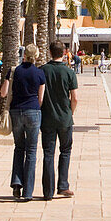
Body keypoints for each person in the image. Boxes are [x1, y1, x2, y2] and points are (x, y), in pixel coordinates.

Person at [0, 44, 46, 201]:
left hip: (16, 112)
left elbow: (3, 93)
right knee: (32, 151)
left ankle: (16, 184)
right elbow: (41, 99)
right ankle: (28, 192)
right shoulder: (39, 73)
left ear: (24, 55)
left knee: (19, 148)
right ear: (37, 56)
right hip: (33, 111)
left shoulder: (14, 71)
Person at [40, 40, 78, 200]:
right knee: (65, 151)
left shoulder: (42, 70)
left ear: (50, 52)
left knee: (48, 153)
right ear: (64, 53)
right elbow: (75, 98)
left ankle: (48, 191)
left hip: (47, 118)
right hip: (65, 119)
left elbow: (39, 96)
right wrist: (70, 113)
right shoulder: (69, 72)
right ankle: (63, 185)